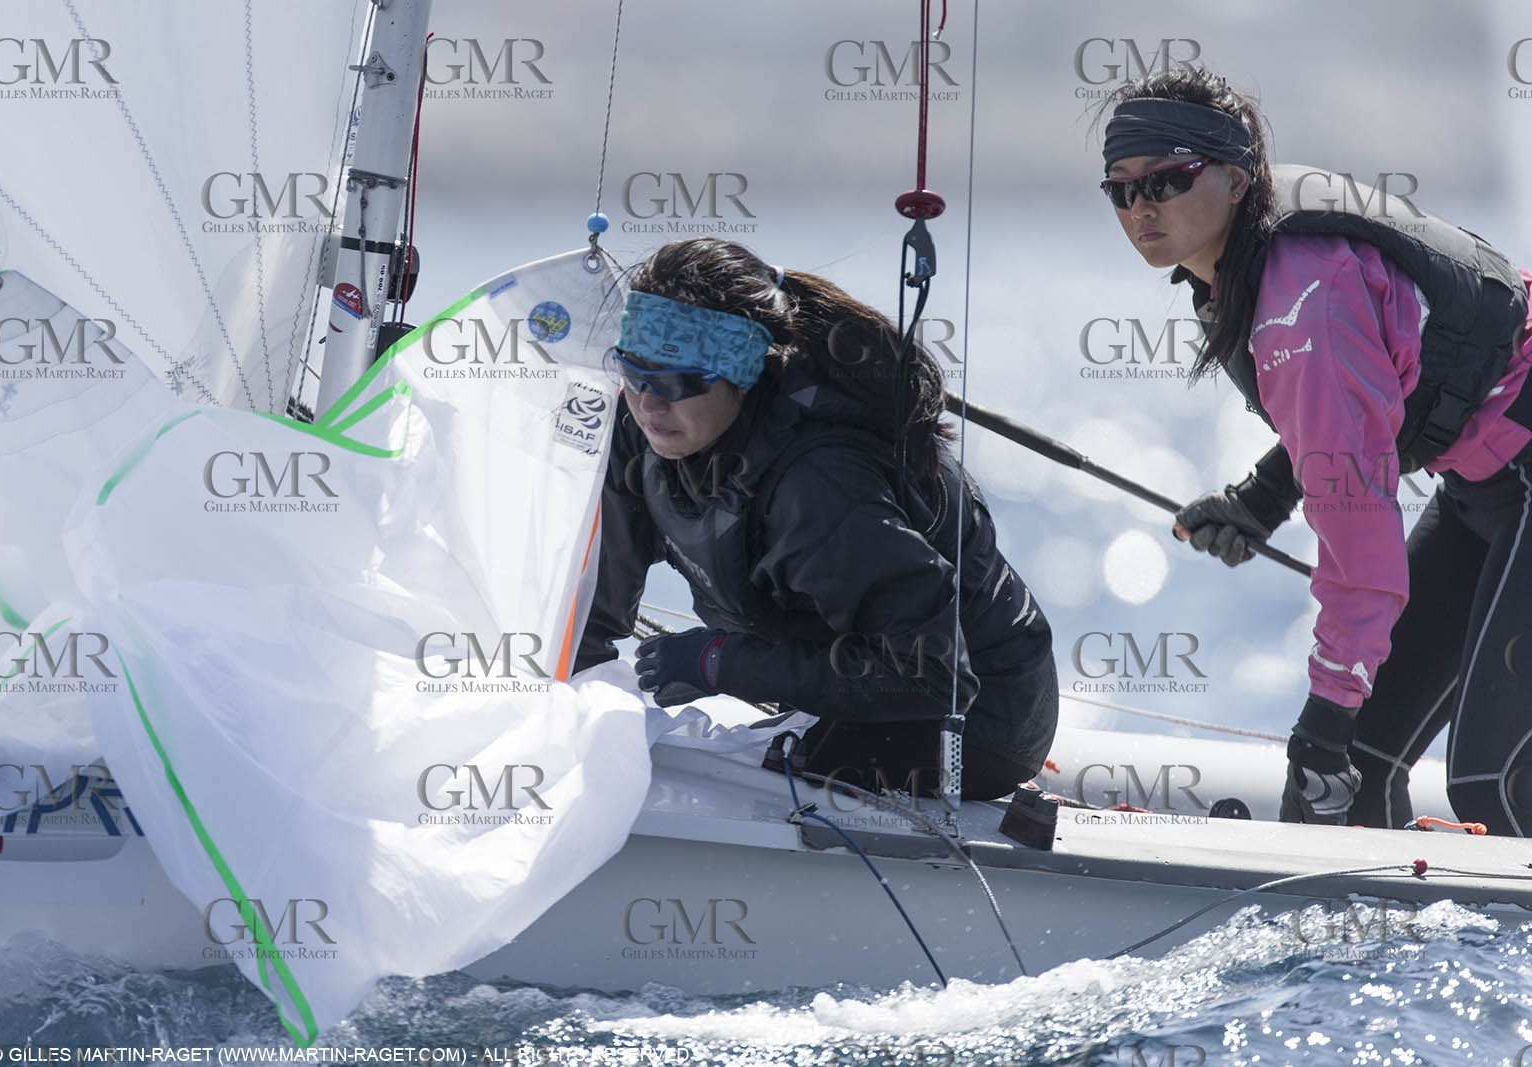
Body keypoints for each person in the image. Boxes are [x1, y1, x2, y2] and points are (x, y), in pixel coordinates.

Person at [1097, 68, 1532, 833]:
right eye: (1121, 189)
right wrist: (1262, 498)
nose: (1142, 208)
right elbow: (1363, 408)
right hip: (1487, 482)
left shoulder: (1302, 306)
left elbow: (1363, 549)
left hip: (1517, 468)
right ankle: (1382, 952)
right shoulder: (1251, 265)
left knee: (1493, 786)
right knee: (1354, 776)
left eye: (1167, 180)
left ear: (1235, 180)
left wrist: (1325, 720)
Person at [573, 238, 1057, 800]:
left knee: (741, 767)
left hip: (971, 725)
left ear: (740, 373)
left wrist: (721, 662)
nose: (651, 404)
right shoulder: (645, 433)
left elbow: (934, 677)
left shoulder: (822, 484)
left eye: (678, 382)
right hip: (834, 691)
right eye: (632, 374)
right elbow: (594, 615)